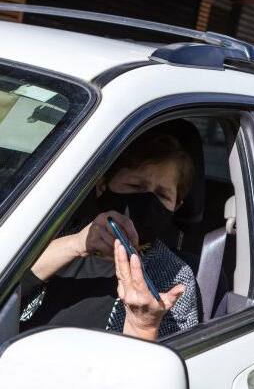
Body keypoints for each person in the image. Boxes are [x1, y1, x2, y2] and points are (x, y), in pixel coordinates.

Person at [20, 123, 200, 341]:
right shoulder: (48, 234)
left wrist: (144, 324)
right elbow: (9, 282)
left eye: (162, 195)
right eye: (135, 186)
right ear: (102, 185)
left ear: (177, 206)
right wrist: (77, 244)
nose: (148, 201)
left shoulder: (173, 276)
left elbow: (162, 362)